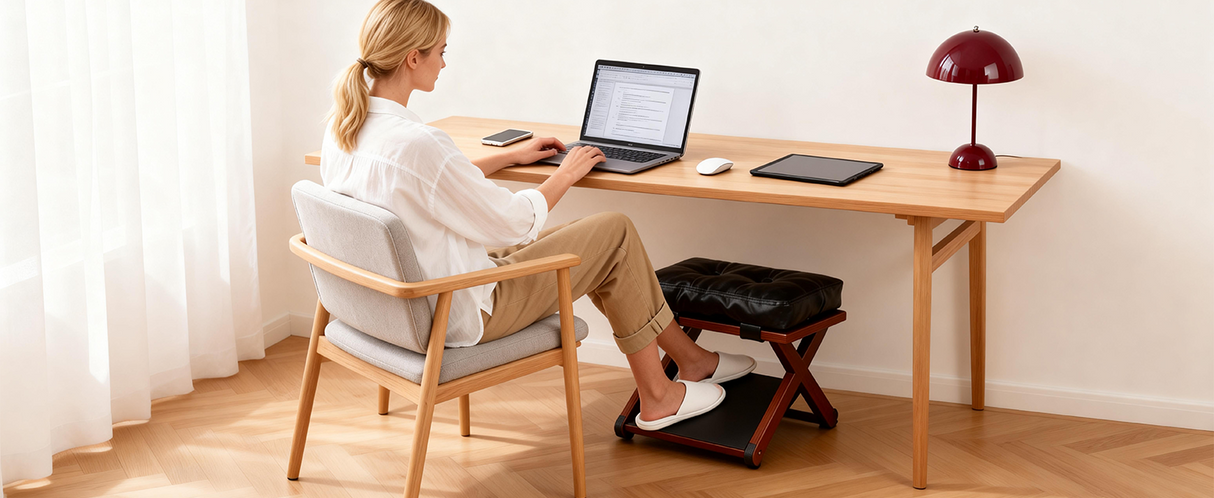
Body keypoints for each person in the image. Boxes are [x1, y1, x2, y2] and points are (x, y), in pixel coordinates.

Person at [319, 0, 754, 431]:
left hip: (394, 311)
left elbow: (430, 184)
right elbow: (509, 222)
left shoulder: (344, 129)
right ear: (414, 58)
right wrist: (564, 175)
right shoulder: (419, 143)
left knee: (599, 246)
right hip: (460, 309)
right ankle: (660, 396)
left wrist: (510, 156)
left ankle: (692, 361)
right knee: (614, 234)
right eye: (441, 52)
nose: (444, 64)